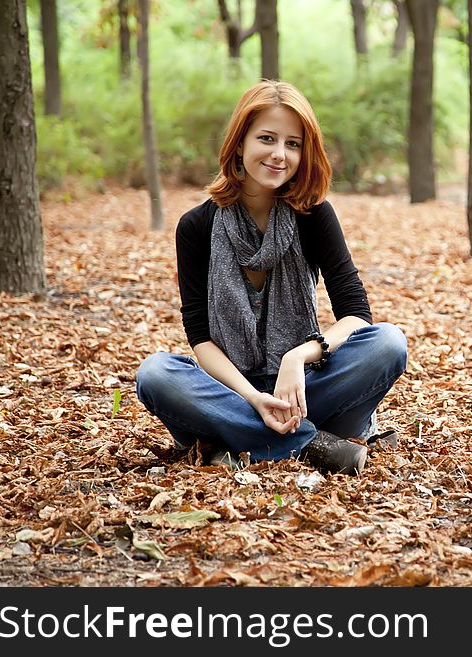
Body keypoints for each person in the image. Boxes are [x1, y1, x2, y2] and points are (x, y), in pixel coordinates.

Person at [136, 80, 407, 475]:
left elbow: (355, 312)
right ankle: (310, 443)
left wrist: (298, 357)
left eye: (293, 144)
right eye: (267, 138)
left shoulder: (313, 216)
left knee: (388, 342)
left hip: (304, 389)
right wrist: (252, 397)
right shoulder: (196, 227)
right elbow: (200, 337)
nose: (280, 154)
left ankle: (232, 444)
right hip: (232, 393)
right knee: (156, 374)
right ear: (240, 143)